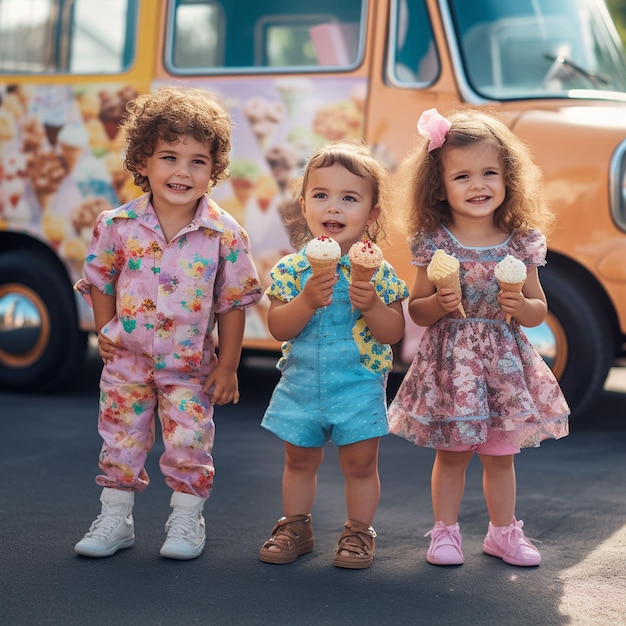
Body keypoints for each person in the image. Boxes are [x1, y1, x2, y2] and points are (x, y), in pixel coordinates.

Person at [73, 86, 262, 560]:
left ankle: (186, 521)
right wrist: (104, 330)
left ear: (214, 169)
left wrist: (229, 365)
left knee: (189, 443)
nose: (182, 171)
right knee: (120, 439)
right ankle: (115, 518)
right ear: (142, 161)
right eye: (169, 157)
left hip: (190, 366)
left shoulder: (226, 233)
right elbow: (100, 277)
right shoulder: (117, 224)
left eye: (198, 161)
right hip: (128, 362)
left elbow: (233, 302)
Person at [388, 108, 570, 567]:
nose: (478, 185)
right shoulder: (434, 242)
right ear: (440, 186)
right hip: (452, 364)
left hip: (503, 364)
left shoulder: (520, 242)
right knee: (452, 455)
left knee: (499, 456)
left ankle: (503, 533)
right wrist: (441, 303)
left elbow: (538, 309)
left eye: (490, 172)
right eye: (462, 175)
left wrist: (521, 307)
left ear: (509, 178)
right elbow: (418, 309)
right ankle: (444, 533)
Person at [258, 141, 408, 569]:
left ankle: (359, 531)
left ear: (372, 213)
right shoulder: (292, 269)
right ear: (303, 205)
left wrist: (372, 306)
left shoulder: (379, 271)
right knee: (298, 457)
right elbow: (278, 327)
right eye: (321, 195)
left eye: (349, 198)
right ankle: (296, 525)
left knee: (360, 461)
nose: (333, 207)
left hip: (357, 383)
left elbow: (393, 332)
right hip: (302, 381)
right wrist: (305, 301)